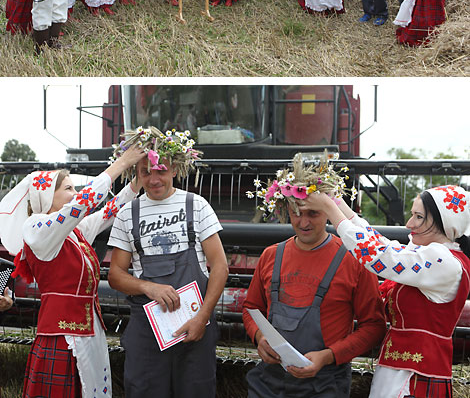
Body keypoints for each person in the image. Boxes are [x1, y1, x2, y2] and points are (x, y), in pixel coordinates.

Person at [0, 144, 147, 398]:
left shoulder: (73, 232)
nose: (75, 193)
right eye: (68, 188)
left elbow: (108, 212)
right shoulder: (36, 228)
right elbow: (82, 203)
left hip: (88, 333)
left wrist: (137, 182)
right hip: (62, 336)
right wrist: (121, 164)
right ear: (46, 196)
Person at [242, 154, 386, 396]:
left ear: (329, 211)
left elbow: (374, 325)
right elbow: (251, 307)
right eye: (297, 212)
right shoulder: (270, 256)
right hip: (268, 381)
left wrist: (328, 356)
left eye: (313, 213)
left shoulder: (353, 259)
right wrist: (258, 337)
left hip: (324, 383)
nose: (303, 222)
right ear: (287, 208)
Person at [309, 182, 470, 398]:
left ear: (444, 223)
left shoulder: (442, 261)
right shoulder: (430, 253)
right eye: (412, 215)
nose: (409, 223)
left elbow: (379, 255)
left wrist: (330, 209)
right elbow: (379, 242)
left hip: (414, 376)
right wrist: (337, 202)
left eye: (419, 217)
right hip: (402, 370)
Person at [108, 126, 228, 398]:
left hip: (195, 326)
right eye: (145, 172)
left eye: (161, 170)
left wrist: (203, 317)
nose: (153, 179)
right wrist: (149, 288)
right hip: (147, 331)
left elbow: (220, 267)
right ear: (136, 173)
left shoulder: (197, 205)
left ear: (174, 168)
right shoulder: (127, 213)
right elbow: (115, 275)